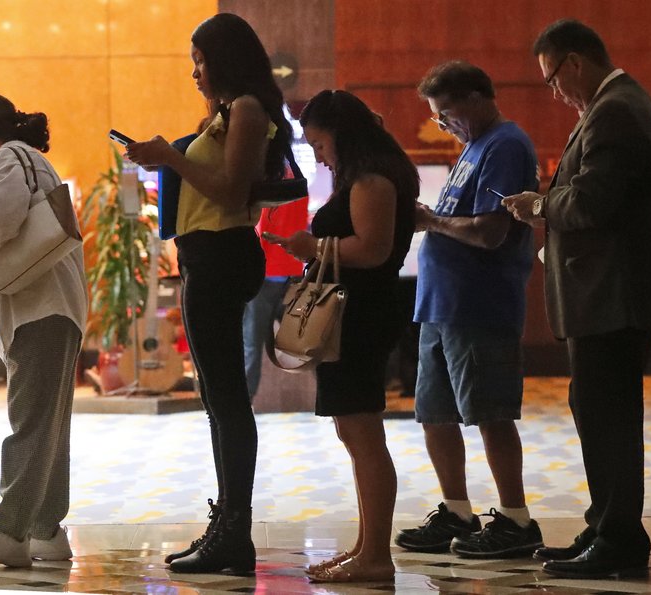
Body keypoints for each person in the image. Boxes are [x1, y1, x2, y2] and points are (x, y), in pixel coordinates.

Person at [502, 19, 651, 579]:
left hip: (613, 299)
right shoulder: (611, 108)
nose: (554, 91)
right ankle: (605, 525)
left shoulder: (616, 110)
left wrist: (539, 206)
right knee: (596, 410)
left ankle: (620, 539)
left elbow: (592, 203)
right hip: (604, 297)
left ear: (574, 62)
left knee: (610, 418)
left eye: (553, 78)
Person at [124, 13, 293, 575]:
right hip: (208, 256)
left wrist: (170, 156)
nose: (195, 72)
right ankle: (227, 525)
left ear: (224, 58)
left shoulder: (245, 108)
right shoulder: (226, 113)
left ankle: (233, 531)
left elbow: (229, 190)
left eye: (199, 60)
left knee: (225, 401)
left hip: (223, 256)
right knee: (217, 401)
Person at [267, 90, 418, 583]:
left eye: (321, 144)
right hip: (358, 311)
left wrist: (313, 245)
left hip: (361, 313)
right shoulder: (365, 173)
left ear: (342, 132)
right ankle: (365, 546)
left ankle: (376, 554)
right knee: (354, 432)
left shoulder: (371, 177)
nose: (321, 155)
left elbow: (372, 249)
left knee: (364, 434)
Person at [395, 61, 544, 559]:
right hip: (440, 304)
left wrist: (430, 221)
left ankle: (516, 520)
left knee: (489, 414)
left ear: (477, 97)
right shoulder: (473, 148)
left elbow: (489, 231)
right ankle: (456, 510)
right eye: (438, 118)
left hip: (479, 304)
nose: (443, 125)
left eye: (446, 114)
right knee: (435, 414)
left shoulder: (505, 145)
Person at [0, 92, 87, 567]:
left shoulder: (11, 156)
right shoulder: (28, 159)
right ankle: (46, 529)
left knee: (29, 423)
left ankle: (9, 532)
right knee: (49, 426)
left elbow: (0, 217)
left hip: (40, 310)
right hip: (51, 310)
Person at [244, 198, 308, 398]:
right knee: (307, 341)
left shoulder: (261, 189)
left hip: (264, 274)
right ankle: (327, 396)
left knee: (252, 345)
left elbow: (257, 230)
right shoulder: (299, 187)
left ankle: (246, 401)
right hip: (292, 272)